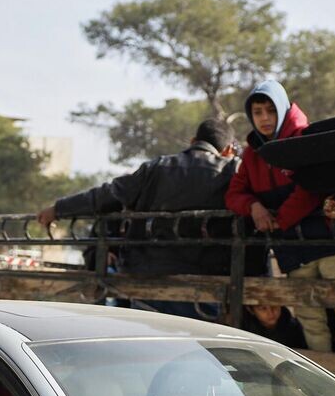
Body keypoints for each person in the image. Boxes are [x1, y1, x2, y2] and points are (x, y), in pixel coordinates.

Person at [225, 80, 335, 358]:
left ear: (282, 110)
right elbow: (234, 193)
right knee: (310, 317)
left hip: (330, 244)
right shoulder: (252, 154)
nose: (264, 118)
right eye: (258, 112)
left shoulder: (305, 139)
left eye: (270, 111)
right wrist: (254, 207)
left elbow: (311, 186)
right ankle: (323, 378)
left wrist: (281, 219)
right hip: (291, 250)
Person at [37, 118, 239, 319]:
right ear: (229, 150)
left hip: (148, 275)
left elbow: (107, 195)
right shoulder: (232, 171)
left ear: (193, 141)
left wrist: (58, 209)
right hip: (209, 281)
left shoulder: (157, 167)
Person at [242, 303, 308, 349]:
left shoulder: (294, 328)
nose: (270, 313)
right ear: (251, 310)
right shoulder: (244, 331)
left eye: (274, 306)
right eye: (263, 308)